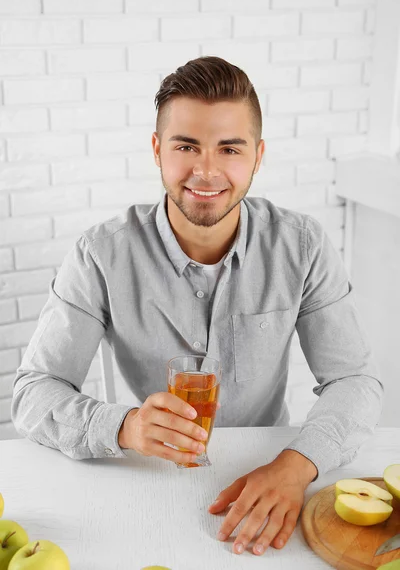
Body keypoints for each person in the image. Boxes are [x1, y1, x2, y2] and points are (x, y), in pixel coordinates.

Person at [11, 56, 383, 557]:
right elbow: (33, 393)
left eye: (230, 148)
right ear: (157, 150)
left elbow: (354, 381)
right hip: (141, 483)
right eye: (186, 146)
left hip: (270, 471)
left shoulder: (303, 246)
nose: (206, 171)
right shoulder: (100, 253)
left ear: (258, 156)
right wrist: (123, 426)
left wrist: (297, 464)